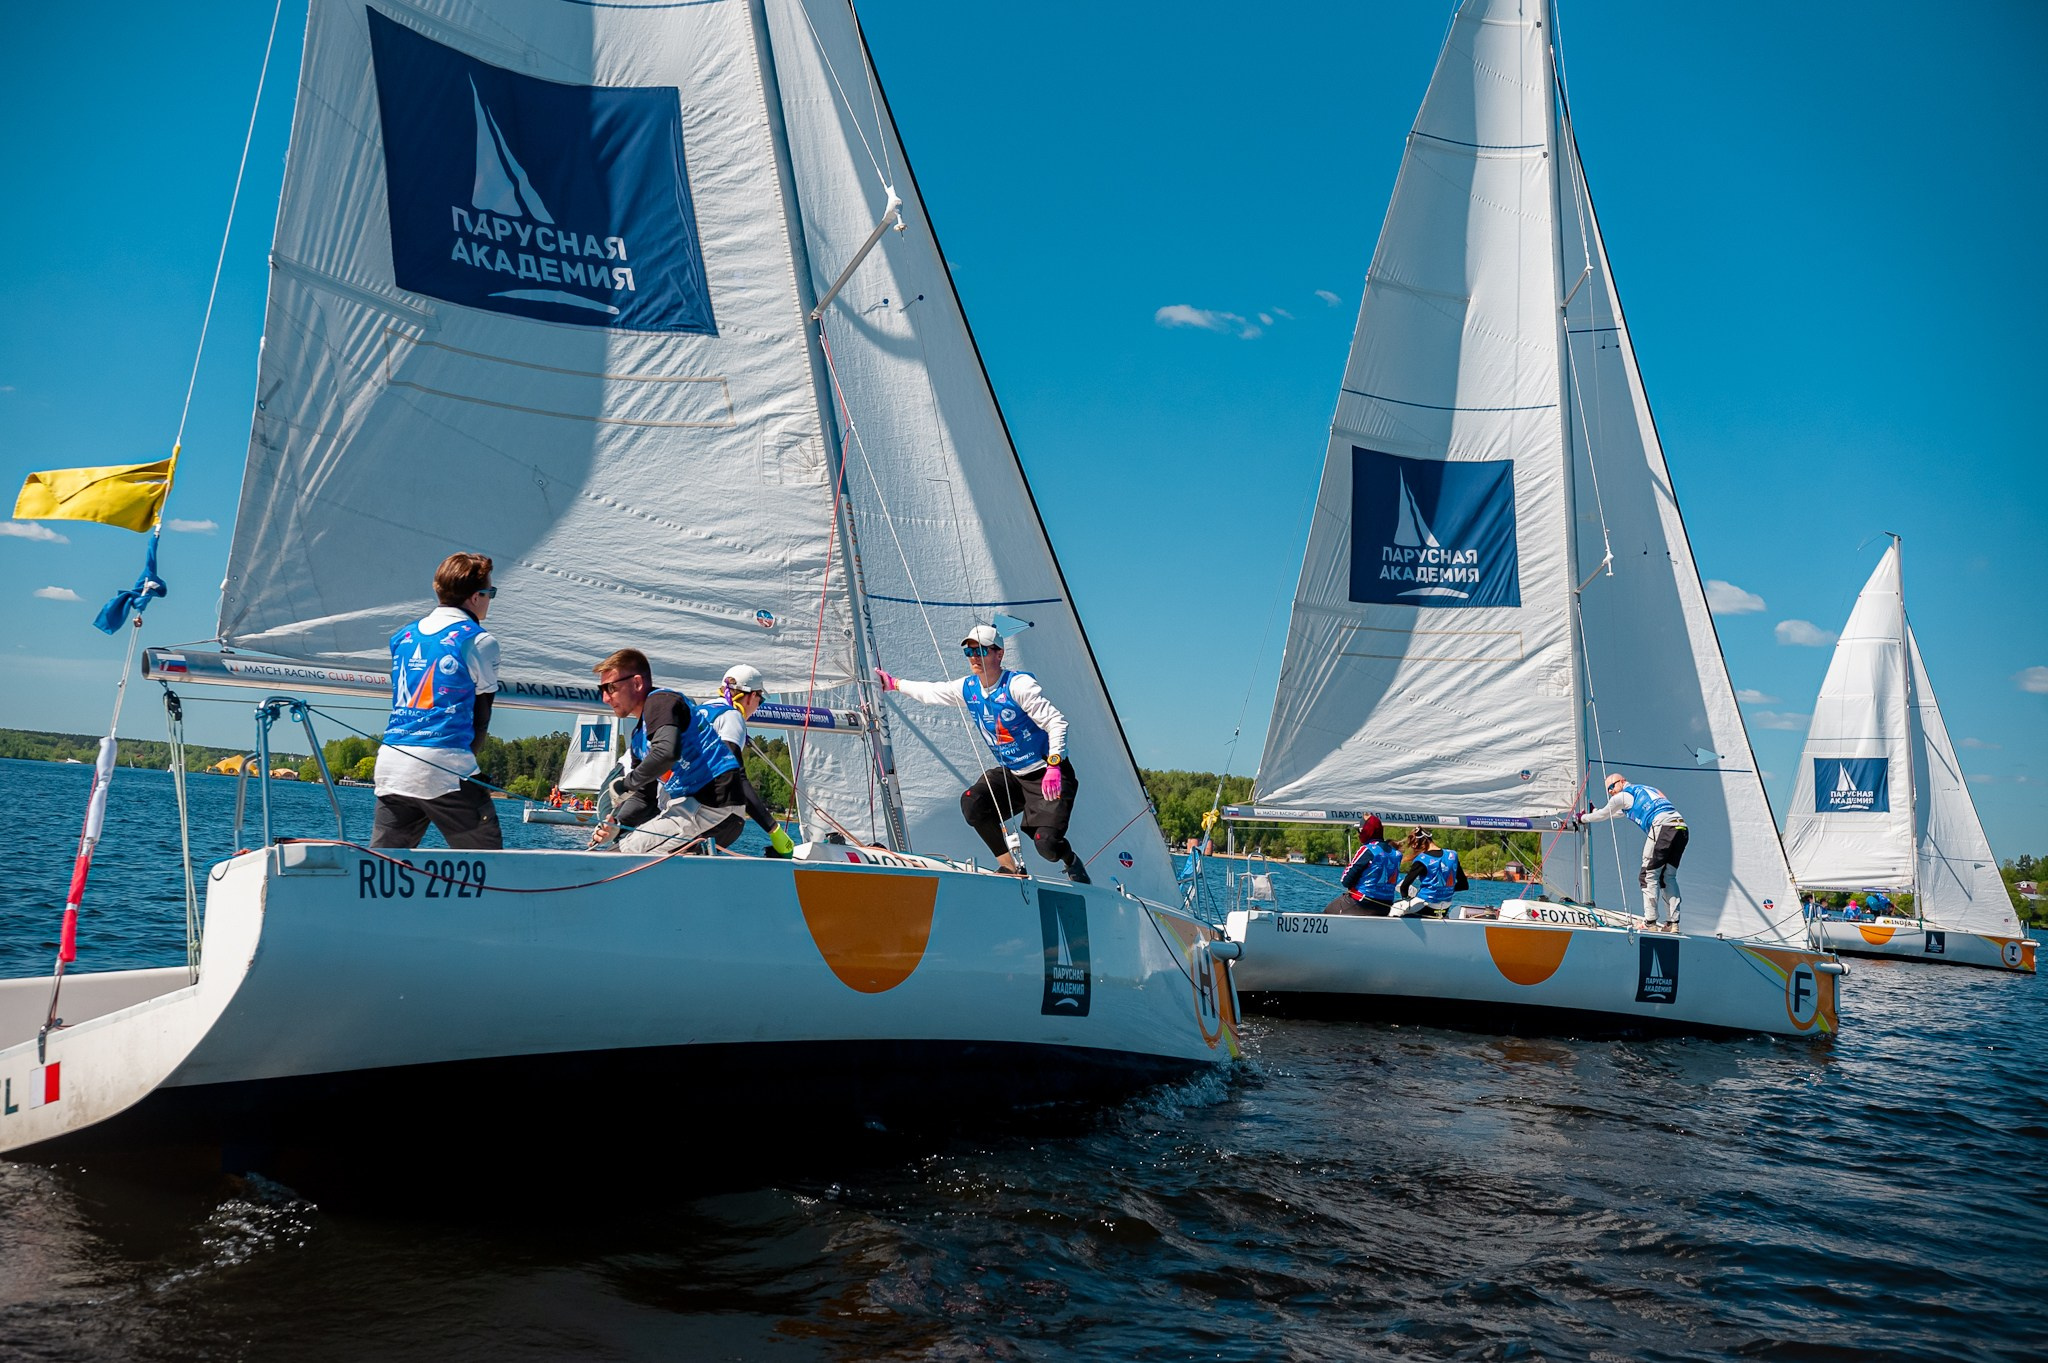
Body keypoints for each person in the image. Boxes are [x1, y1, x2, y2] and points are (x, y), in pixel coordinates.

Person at [874, 625, 1088, 883]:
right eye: (970, 651)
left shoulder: (1018, 685)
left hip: (1047, 774)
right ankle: (1009, 867)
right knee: (972, 803)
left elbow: (1057, 722)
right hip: (1013, 776)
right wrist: (895, 684)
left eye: (982, 650)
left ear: (999, 654)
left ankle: (1071, 861)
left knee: (1047, 845)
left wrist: (1054, 764)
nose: (974, 657)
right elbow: (931, 692)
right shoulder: (969, 688)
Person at [584, 649, 794, 858]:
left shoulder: (662, 701)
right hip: (692, 807)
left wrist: (625, 784)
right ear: (750, 696)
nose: (605, 698)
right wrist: (618, 826)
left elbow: (667, 753)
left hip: (711, 805)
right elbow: (644, 796)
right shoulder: (640, 735)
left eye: (611, 688)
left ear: (637, 683)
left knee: (622, 853)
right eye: (601, 689)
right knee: (623, 848)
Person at [371, 552, 504, 850]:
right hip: (442, 764)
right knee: (489, 864)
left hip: (392, 762)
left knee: (385, 866)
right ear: (475, 597)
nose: (490, 600)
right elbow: (482, 715)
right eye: (490, 593)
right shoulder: (479, 640)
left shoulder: (401, 637)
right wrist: (470, 761)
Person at [1580, 772, 1687, 932]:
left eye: (1611, 787)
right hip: (1681, 828)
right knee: (1667, 877)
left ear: (1622, 781)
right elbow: (1614, 813)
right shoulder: (1647, 789)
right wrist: (1594, 811)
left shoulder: (1622, 796)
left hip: (1662, 826)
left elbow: (1604, 814)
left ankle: (1650, 922)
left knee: (1647, 875)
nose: (1610, 791)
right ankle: (1673, 924)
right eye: (1607, 790)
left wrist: (1582, 818)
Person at [701, 663, 775, 851]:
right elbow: (735, 777)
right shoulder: (732, 716)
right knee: (734, 816)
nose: (759, 706)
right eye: (761, 700)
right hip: (699, 814)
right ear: (751, 696)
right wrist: (773, 829)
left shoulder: (701, 709)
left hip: (672, 803)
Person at [1328, 815, 1403, 916]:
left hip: (1363, 903)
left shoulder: (1367, 850)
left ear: (1367, 831)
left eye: (1360, 831)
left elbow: (1345, 880)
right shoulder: (1397, 854)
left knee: (1329, 911)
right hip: (1385, 906)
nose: (1359, 834)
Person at [1392, 830, 1463, 917]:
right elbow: (1463, 884)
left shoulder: (1422, 859)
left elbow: (1404, 887)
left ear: (1421, 842)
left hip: (1426, 905)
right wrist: (1444, 890)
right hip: (1445, 906)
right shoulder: (1453, 855)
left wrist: (1406, 899)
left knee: (1395, 908)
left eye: (1414, 846)